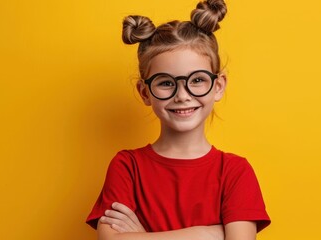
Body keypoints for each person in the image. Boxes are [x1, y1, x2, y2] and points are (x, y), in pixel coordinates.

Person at [86, 0, 271, 239]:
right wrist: (207, 234)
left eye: (196, 80)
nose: (182, 96)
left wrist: (141, 236)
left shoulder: (235, 172)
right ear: (144, 92)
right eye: (165, 83)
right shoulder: (127, 166)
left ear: (218, 86)